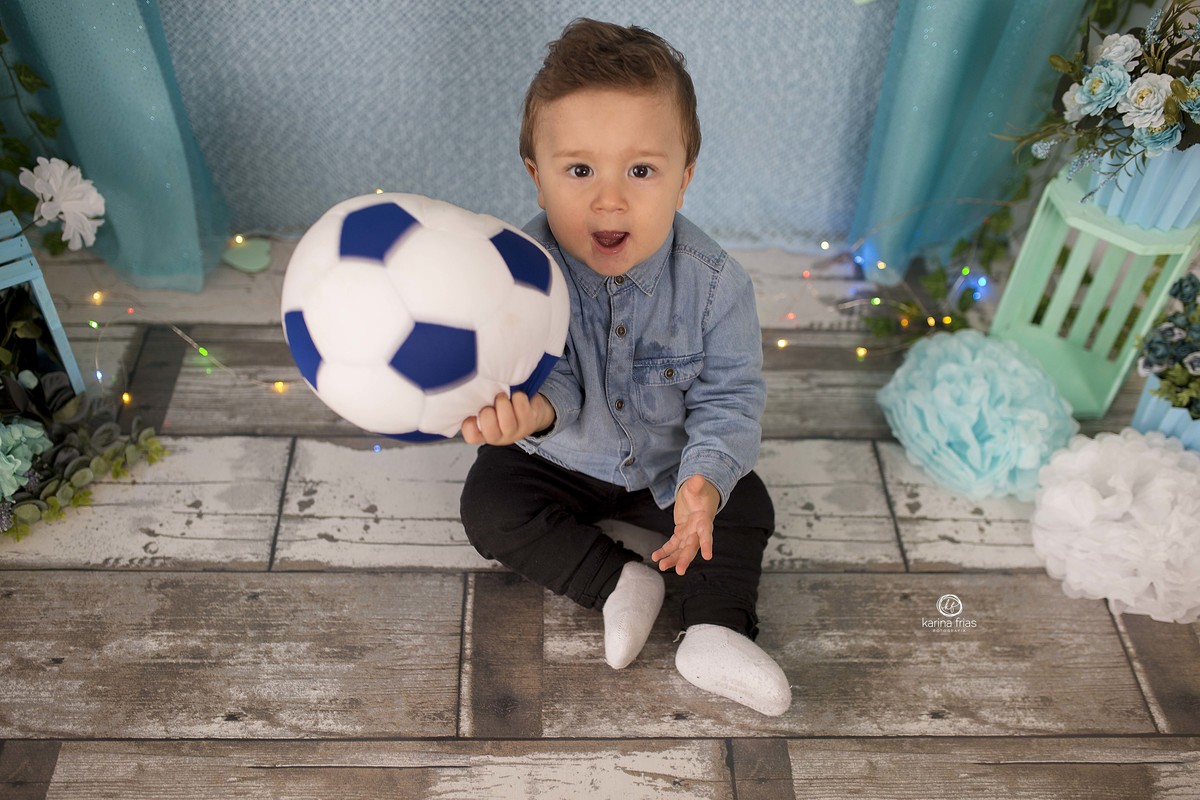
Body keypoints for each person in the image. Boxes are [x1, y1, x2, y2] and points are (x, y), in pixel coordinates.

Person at [458, 18, 790, 717]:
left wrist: (703, 480)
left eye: (641, 170)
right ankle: (617, 581)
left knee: (744, 502)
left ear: (683, 179)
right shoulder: (520, 277)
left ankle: (716, 630)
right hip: (559, 459)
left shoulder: (714, 283)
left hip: (666, 466)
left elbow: (730, 395)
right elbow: (543, 373)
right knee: (490, 504)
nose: (610, 199)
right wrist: (533, 412)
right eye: (579, 170)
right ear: (537, 179)